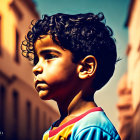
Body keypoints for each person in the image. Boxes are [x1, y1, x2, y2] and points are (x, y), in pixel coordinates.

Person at [21, 12, 121, 140]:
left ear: (86, 68)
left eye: (49, 56)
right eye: (36, 60)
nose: (36, 68)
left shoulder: (91, 128)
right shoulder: (52, 131)